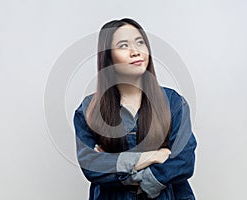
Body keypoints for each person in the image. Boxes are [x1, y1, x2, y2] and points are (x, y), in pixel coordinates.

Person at [73, 18, 197, 200]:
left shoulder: (173, 103)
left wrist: (125, 170)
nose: (135, 52)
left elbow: (184, 162)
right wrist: (153, 156)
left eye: (140, 42)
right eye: (123, 45)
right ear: (108, 57)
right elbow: (91, 166)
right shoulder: (89, 110)